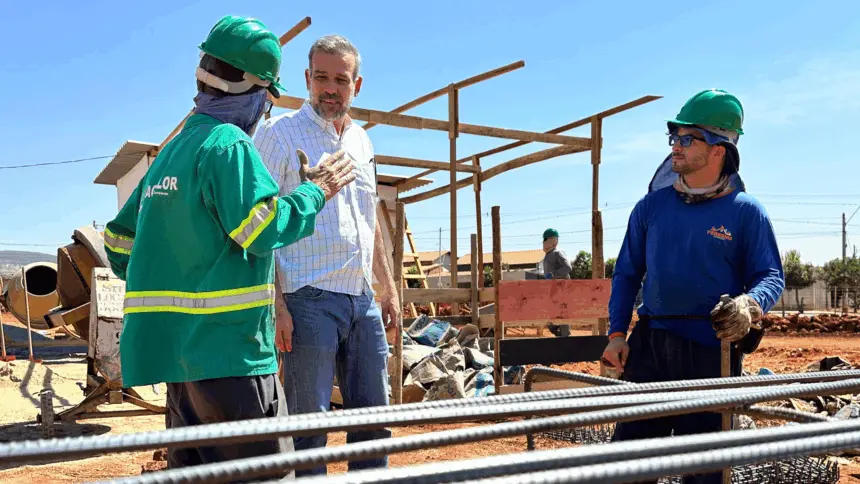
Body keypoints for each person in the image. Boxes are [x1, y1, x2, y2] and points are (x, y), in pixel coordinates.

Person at [102, 15, 356, 476]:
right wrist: (313, 192)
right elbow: (260, 228)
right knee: (265, 476)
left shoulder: (170, 155)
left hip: (179, 367)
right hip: (232, 358)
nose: (265, 111)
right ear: (254, 89)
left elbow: (119, 246)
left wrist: (176, 262)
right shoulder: (228, 145)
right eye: (267, 97)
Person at [601, 89, 785, 484]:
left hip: (711, 351)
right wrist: (617, 333)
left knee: (704, 471)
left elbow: (771, 275)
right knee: (629, 466)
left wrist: (750, 306)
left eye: (687, 138)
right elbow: (627, 274)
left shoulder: (745, 212)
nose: (676, 148)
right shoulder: (650, 208)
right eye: (675, 139)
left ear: (720, 147)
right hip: (650, 346)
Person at [253, 34, 399, 476]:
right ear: (306, 79)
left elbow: (369, 222)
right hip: (306, 298)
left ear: (357, 85)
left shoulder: (362, 142)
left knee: (374, 421)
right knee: (307, 428)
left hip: (362, 300)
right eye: (321, 78)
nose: (330, 88)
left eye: (341, 79)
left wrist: (388, 288)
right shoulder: (277, 137)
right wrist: (274, 303)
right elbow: (258, 224)